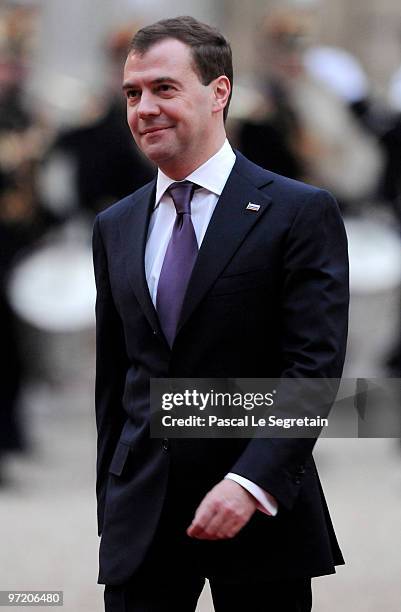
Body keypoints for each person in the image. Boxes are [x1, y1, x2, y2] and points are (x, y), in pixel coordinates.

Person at [92, 16, 349, 612]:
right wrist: (111, 506)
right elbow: (116, 382)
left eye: (164, 88)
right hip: (143, 525)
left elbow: (313, 369)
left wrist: (249, 481)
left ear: (219, 92)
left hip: (258, 515)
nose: (144, 108)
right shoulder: (116, 226)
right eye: (133, 93)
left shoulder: (297, 212)